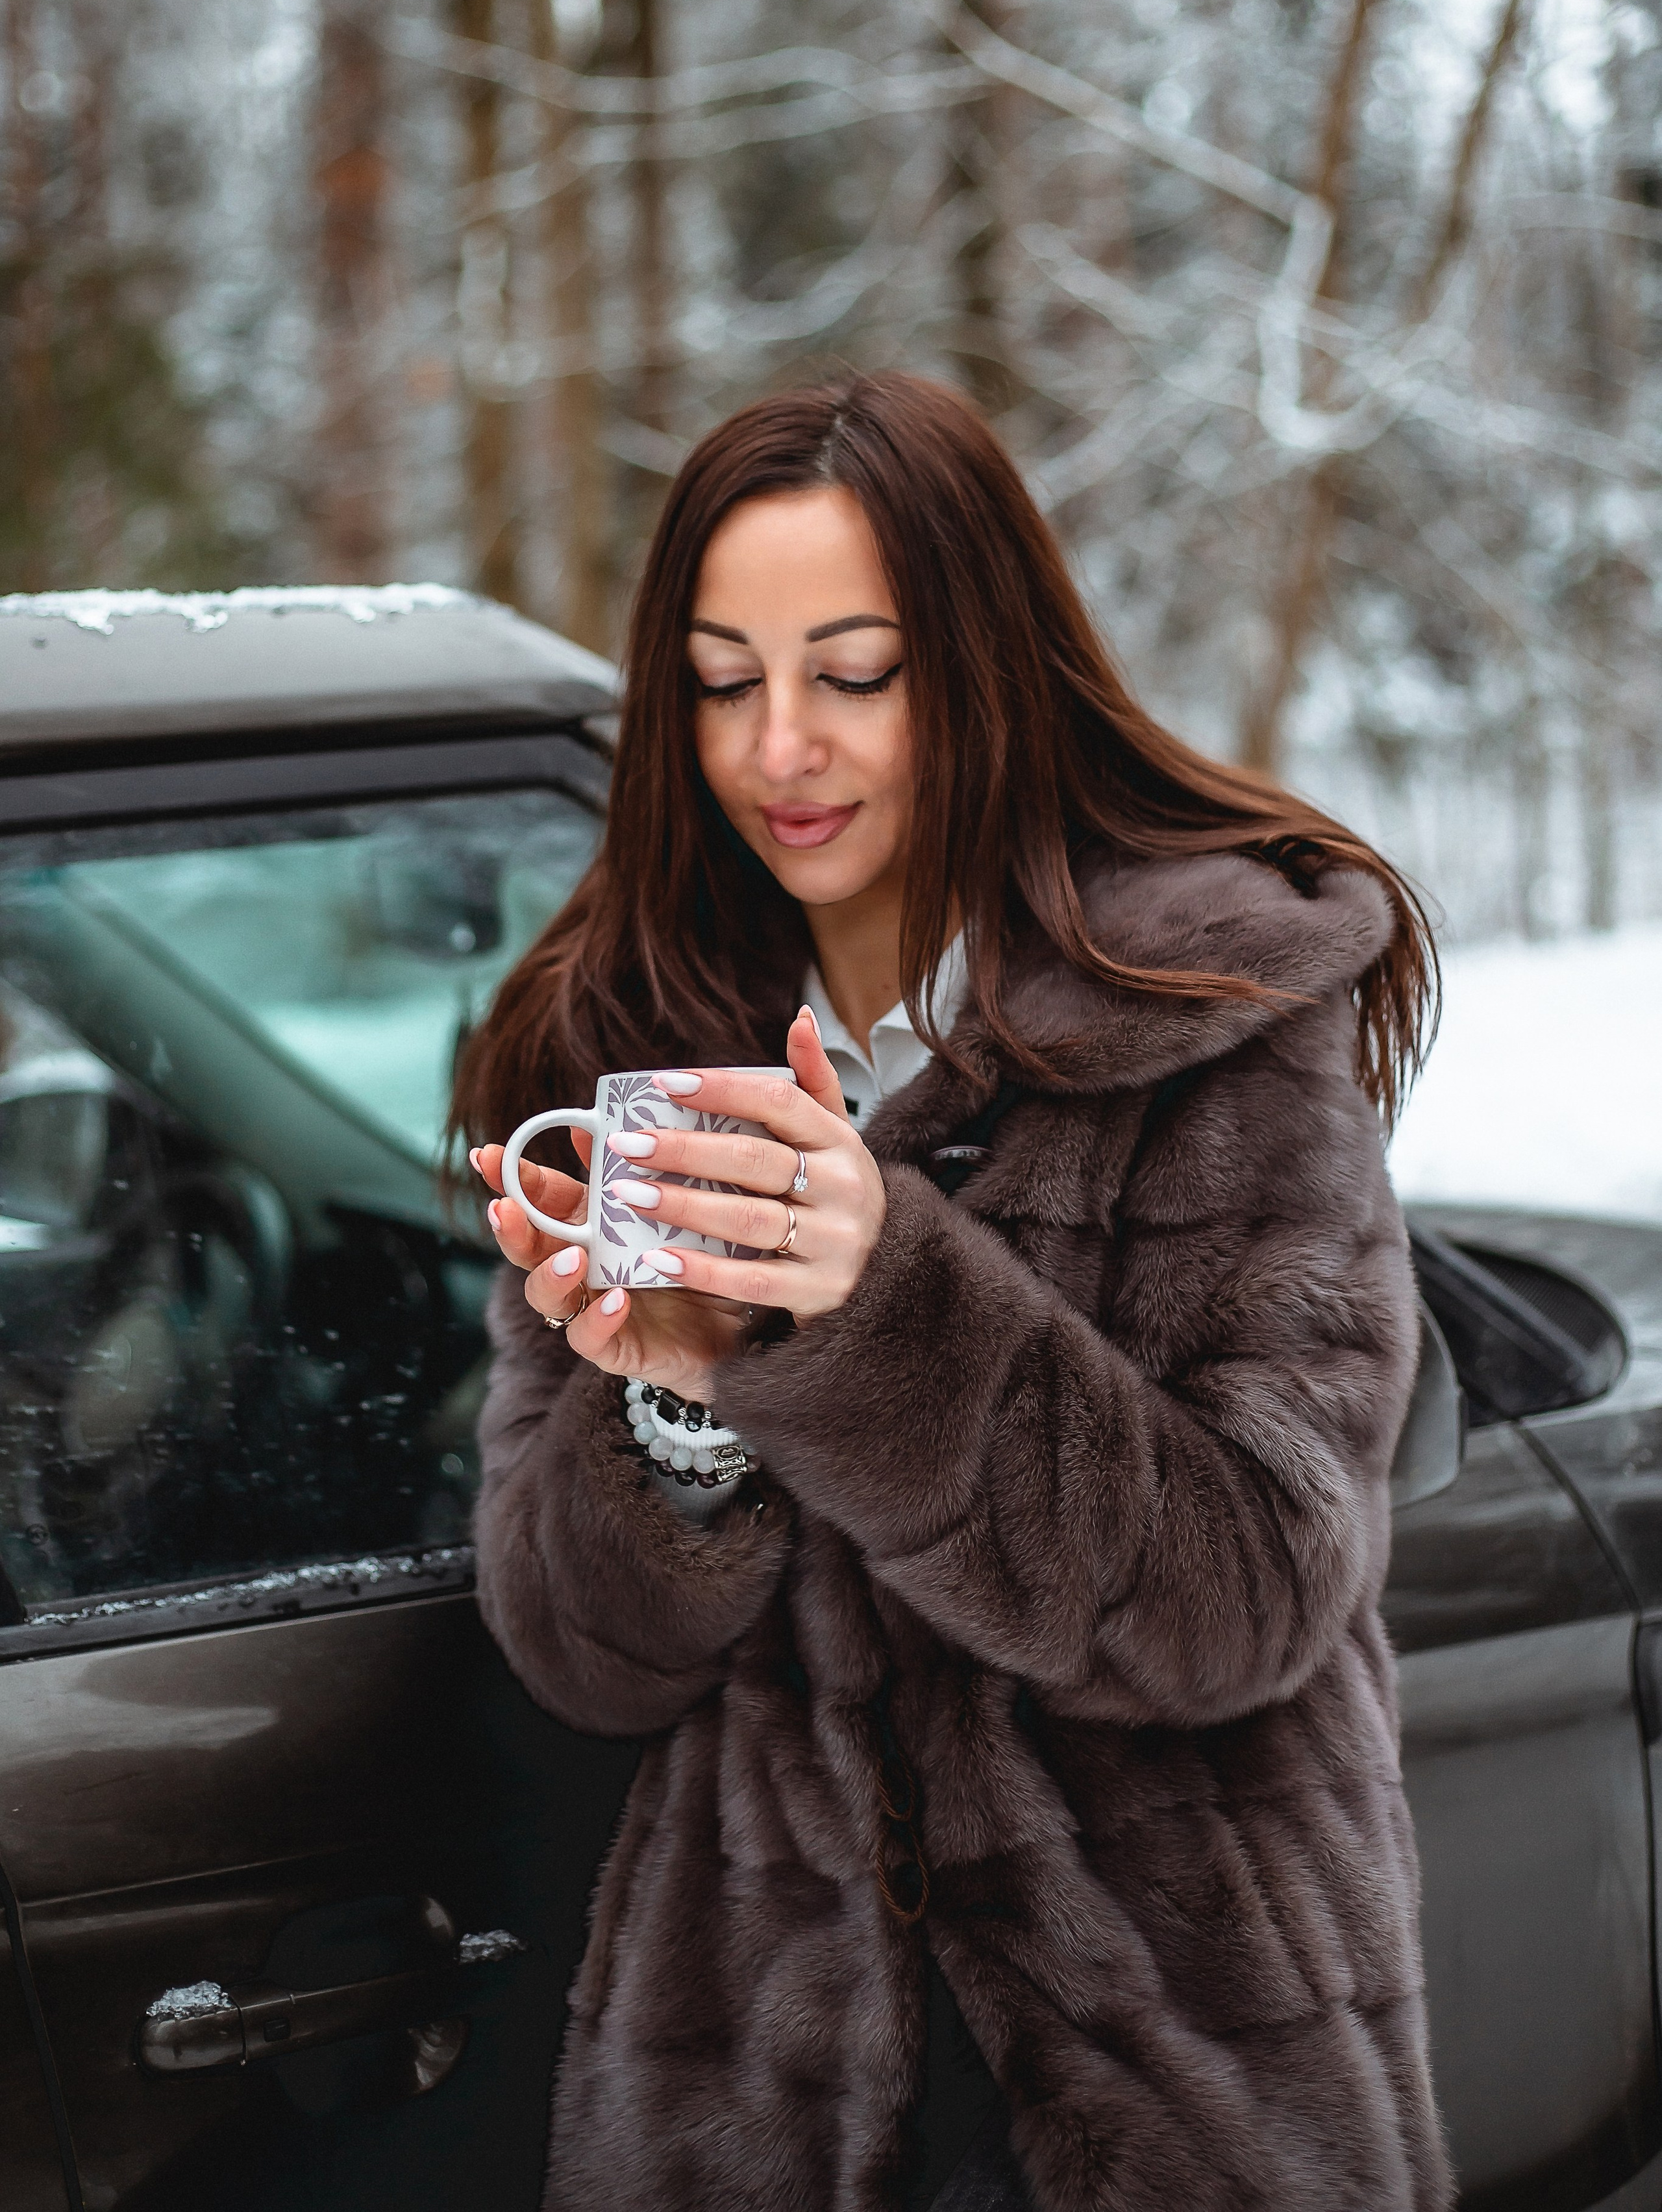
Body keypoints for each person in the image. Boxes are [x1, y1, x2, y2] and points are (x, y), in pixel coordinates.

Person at [456, 371, 1451, 2212]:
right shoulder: (617, 1050)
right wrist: (677, 1410)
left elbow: (1243, 1597)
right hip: (764, 2102)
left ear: (982, 666)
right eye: (724, 679)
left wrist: (874, 1307)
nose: (780, 751)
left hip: (1178, 2081)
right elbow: (577, 1657)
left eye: (853, 674)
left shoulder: (1209, 1031)